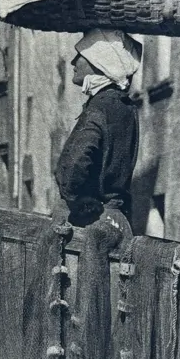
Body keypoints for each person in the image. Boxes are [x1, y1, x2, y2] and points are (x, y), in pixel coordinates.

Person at [54, 29, 141, 228]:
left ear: (100, 64)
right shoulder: (125, 107)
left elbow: (75, 164)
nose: (73, 62)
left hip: (91, 220)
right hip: (117, 218)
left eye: (81, 55)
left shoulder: (99, 107)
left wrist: (71, 196)